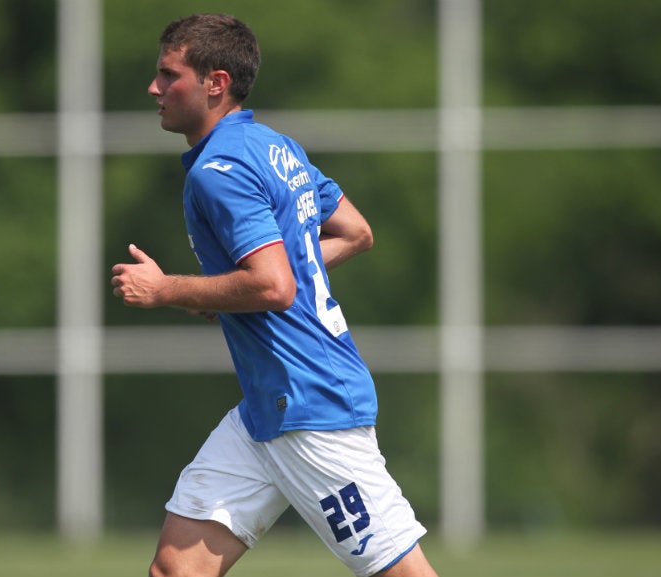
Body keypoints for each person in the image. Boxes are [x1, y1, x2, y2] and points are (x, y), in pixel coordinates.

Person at [111, 13, 439, 577]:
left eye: (170, 76)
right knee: (176, 569)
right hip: (267, 412)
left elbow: (274, 284)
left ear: (215, 82)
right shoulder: (275, 147)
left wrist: (167, 289)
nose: (155, 88)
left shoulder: (219, 168)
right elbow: (353, 234)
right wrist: (228, 292)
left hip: (313, 408)